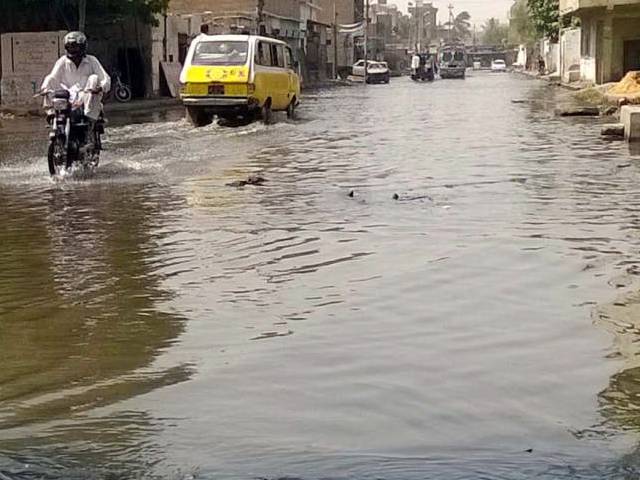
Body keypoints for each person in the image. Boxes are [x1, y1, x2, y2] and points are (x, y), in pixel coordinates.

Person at [41, 31, 110, 137]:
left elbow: (105, 78)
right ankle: (51, 114)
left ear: (82, 47)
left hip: (86, 96)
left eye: (75, 47)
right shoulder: (62, 61)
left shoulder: (92, 61)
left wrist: (101, 87)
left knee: (94, 78)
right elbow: (53, 77)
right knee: (48, 79)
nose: (72, 50)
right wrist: (45, 89)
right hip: (67, 97)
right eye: (70, 47)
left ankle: (89, 121)